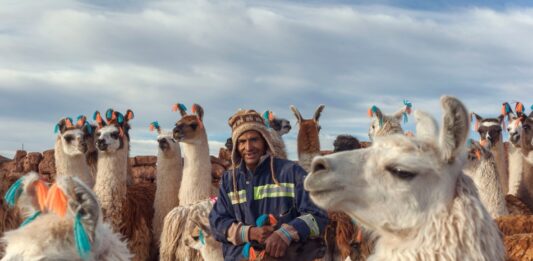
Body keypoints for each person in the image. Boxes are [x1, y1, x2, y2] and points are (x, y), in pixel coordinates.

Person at [209, 109, 328, 261]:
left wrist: (286, 233)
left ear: (265, 141)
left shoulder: (291, 173)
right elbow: (217, 223)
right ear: (236, 147)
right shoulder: (229, 181)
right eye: (242, 141)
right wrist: (250, 233)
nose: (248, 147)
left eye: (254, 139)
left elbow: (318, 216)